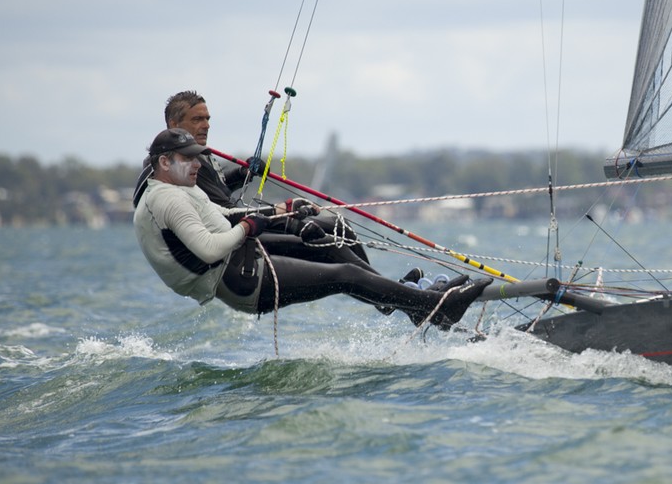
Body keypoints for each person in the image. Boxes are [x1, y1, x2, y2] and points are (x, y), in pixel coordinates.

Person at [134, 128, 491, 328]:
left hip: (240, 269)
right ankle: (434, 307)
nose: (197, 163)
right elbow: (211, 248)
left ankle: (411, 302)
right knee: (347, 274)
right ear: (164, 162)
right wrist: (250, 225)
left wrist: (279, 210)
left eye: (198, 156)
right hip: (239, 281)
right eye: (188, 158)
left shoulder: (177, 190)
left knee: (334, 247)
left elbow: (219, 215)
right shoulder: (168, 200)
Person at [133, 90, 373, 267]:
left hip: (243, 222)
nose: (206, 125)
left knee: (339, 224)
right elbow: (219, 211)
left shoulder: (196, 157)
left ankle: (382, 286)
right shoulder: (176, 165)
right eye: (197, 120)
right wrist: (280, 211)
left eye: (207, 119)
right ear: (173, 124)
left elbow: (218, 189)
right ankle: (385, 293)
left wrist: (244, 173)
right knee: (332, 238)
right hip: (238, 233)